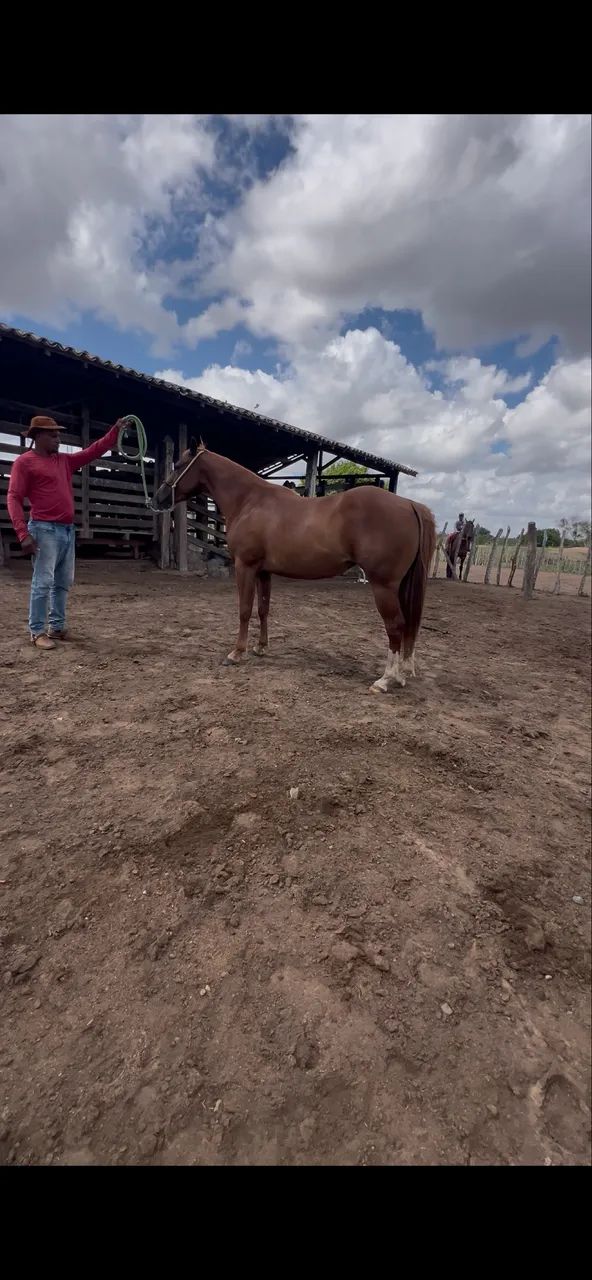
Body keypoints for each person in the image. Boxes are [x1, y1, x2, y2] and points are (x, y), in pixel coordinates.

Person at [7, 414, 125, 650]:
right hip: (43, 528)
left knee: (62, 582)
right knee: (43, 582)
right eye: (53, 435)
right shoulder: (25, 462)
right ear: (38, 436)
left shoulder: (64, 461)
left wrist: (115, 431)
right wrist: (22, 533)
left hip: (66, 530)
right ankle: (37, 631)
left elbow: (93, 451)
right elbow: (14, 497)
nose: (58, 438)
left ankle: (57, 627)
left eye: (58, 434)